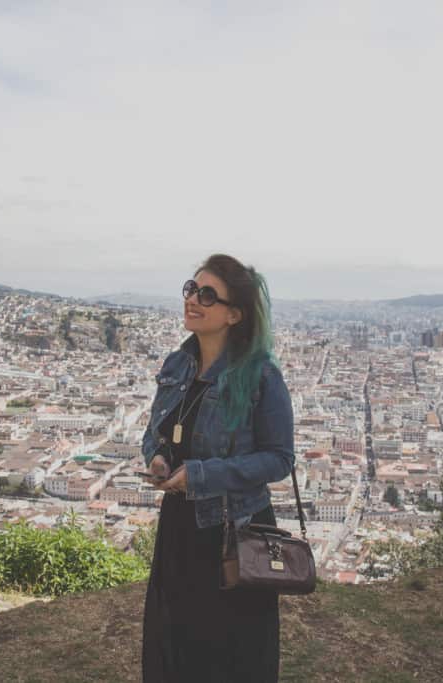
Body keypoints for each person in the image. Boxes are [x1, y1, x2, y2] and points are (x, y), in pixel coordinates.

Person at [140, 253, 295, 683]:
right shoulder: (177, 365)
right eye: (192, 289)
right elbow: (155, 433)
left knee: (230, 654)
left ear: (234, 314)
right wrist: (156, 459)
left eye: (208, 295)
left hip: (234, 531)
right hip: (179, 529)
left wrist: (202, 474)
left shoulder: (261, 375)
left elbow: (280, 458)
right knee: (176, 643)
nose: (194, 299)